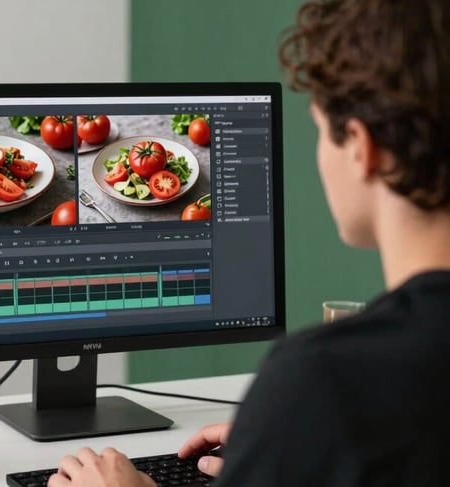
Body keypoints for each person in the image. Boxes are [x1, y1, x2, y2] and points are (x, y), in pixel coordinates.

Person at [47, 0, 450, 485]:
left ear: (364, 150)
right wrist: (288, 440)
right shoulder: (339, 402)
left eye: (321, 132)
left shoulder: (327, 380)